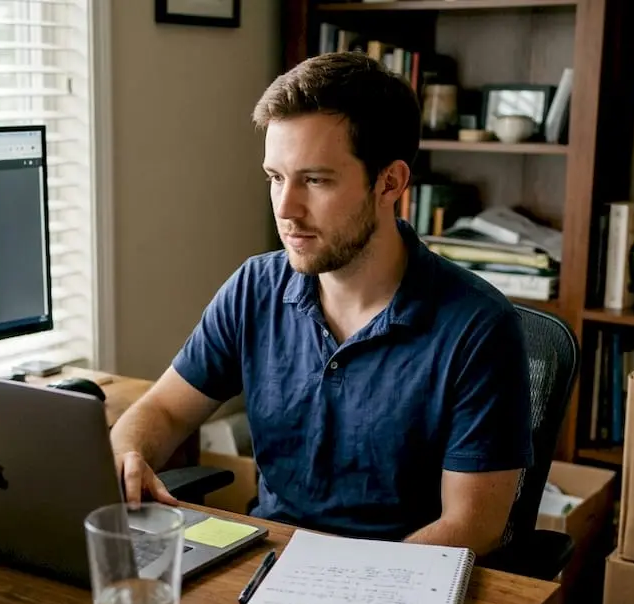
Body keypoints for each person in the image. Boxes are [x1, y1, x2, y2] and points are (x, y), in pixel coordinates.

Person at [110, 52, 533, 554]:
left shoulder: (477, 327)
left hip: (396, 583)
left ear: (390, 183)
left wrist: (337, 586)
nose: (286, 210)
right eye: (275, 177)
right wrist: (129, 453)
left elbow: (470, 527)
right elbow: (163, 409)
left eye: (315, 180)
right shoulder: (254, 289)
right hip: (264, 564)